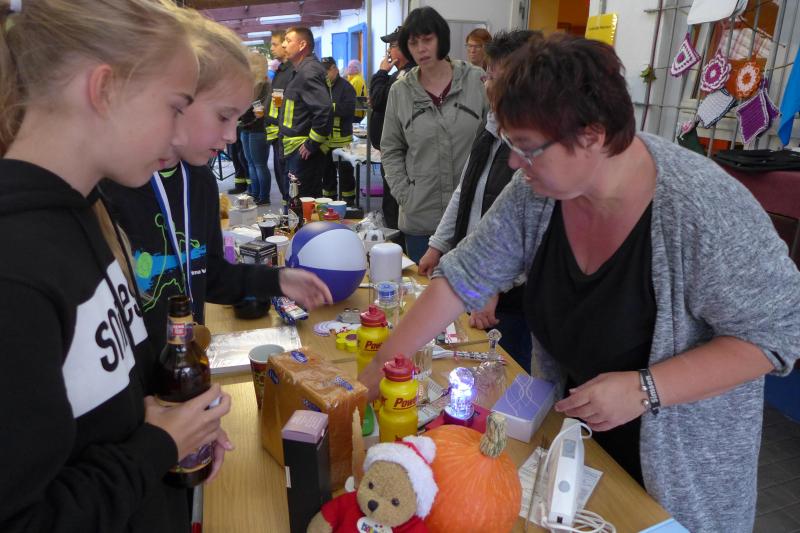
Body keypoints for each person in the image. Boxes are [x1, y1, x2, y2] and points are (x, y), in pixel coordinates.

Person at [361, 34, 800, 532]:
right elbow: (460, 279)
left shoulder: (704, 209)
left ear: (592, 136)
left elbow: (778, 335)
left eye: (527, 148)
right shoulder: (538, 193)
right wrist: (375, 372)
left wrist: (646, 389)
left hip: (681, 476)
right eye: (509, 143)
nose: (513, 163)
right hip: (579, 448)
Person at [0, 1, 232, 532]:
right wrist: (157, 445)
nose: (179, 135)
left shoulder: (84, 216)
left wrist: (178, 422)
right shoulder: (16, 270)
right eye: (175, 107)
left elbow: (107, 396)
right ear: (104, 89)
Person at [101, 13, 332, 355]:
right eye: (224, 116)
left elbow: (207, 273)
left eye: (237, 120)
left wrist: (277, 280)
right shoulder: (111, 188)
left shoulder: (200, 181)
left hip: (186, 363)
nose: (231, 136)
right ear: (178, 101)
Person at [417, 30, 540, 373]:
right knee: (464, 368)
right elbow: (466, 190)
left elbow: (533, 233)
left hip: (509, 297)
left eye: (494, 77)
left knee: (504, 374)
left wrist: (495, 284)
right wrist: (438, 244)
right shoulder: (490, 127)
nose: (486, 85)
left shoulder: (536, 143)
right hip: (478, 276)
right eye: (486, 75)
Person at [380, 6, 488, 263]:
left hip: (471, 218)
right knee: (423, 287)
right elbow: (391, 149)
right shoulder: (400, 91)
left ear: (441, 39)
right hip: (421, 219)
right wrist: (406, 196)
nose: (421, 49)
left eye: (427, 40)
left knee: (470, 288)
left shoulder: (476, 81)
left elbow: (497, 141)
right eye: (413, 43)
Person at [369, 25, 415, 244]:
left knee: (395, 203)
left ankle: (399, 248)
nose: (389, 50)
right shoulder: (398, 73)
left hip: (400, 153)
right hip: (390, 150)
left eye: (393, 45)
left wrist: (381, 73)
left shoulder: (407, 74)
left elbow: (378, 100)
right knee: (390, 202)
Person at [279, 27, 332, 198]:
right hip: (296, 149)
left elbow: (323, 110)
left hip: (302, 152)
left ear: (302, 45)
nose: (283, 44)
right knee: (296, 201)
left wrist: (312, 144)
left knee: (301, 203)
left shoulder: (308, 71)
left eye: (288, 40)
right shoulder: (301, 70)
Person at [320, 57, 357, 203]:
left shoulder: (346, 87)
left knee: (346, 175)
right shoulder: (322, 86)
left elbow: (348, 109)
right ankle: (329, 203)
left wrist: (328, 108)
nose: (324, 75)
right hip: (325, 142)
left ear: (334, 69)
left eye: (326, 71)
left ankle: (348, 203)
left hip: (342, 142)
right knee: (327, 175)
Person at [239, 51, 272, 205]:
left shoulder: (265, 84)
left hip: (258, 128)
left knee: (259, 164)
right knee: (251, 163)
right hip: (246, 126)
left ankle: (263, 196)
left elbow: (260, 108)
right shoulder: (249, 83)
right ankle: (254, 192)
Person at [266, 30, 292, 203]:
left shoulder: (292, 71)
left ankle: (290, 210)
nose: (271, 48)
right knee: (281, 174)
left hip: (285, 134)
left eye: (274, 44)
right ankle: (286, 208)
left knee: (287, 177)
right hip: (277, 133)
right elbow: (277, 98)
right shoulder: (281, 70)